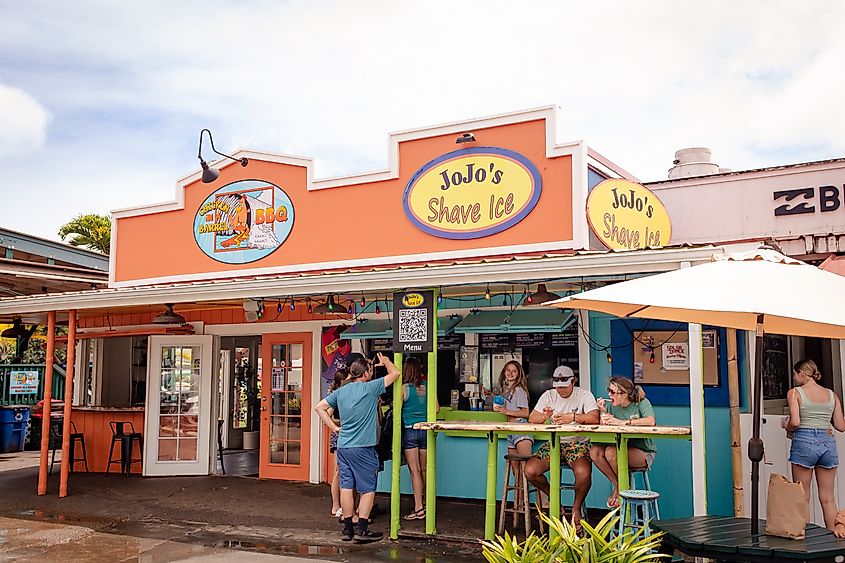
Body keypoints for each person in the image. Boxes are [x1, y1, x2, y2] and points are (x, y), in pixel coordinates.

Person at [315, 353, 401, 543]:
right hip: (363, 446)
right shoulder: (370, 388)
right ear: (366, 373)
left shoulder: (342, 390)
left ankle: (347, 529)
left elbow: (319, 407)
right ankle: (361, 529)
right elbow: (395, 374)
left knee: (347, 486)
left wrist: (335, 427)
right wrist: (386, 362)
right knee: (368, 488)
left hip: (344, 445)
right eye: (370, 370)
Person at [524, 365, 599, 530]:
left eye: (564, 387)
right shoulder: (549, 395)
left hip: (577, 443)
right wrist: (545, 415)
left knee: (583, 473)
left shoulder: (584, 395)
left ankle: (575, 508)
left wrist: (572, 417)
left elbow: (595, 417)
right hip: (554, 442)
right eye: (558, 387)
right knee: (530, 471)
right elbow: (532, 417)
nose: (561, 391)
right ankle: (555, 499)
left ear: (573, 381)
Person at [782, 359, 845, 533]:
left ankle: (806, 542)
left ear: (802, 373)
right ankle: (835, 540)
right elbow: (840, 426)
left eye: (795, 374)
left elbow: (795, 422)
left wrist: (786, 426)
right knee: (828, 498)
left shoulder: (795, 393)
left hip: (804, 441)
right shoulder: (832, 395)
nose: (794, 378)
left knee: (802, 497)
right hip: (827, 442)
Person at [590, 376, 657, 509]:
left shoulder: (641, 403)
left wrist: (623, 423)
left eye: (613, 392)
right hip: (620, 449)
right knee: (595, 451)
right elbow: (605, 429)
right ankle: (619, 485)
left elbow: (650, 421)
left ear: (624, 394)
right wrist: (602, 412)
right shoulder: (610, 406)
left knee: (610, 452)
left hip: (643, 452)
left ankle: (621, 488)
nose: (609, 394)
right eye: (609, 390)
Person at [400, 357, 430, 521]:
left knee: (415, 471)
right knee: (425, 469)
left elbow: (397, 409)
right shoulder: (427, 387)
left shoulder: (404, 388)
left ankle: (418, 508)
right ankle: (426, 502)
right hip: (425, 430)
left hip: (410, 430)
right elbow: (437, 407)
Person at [492, 360, 533, 457]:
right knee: (514, 467)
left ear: (519, 374)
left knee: (524, 467)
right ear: (504, 372)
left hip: (520, 427)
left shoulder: (519, 390)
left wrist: (505, 411)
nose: (510, 373)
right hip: (510, 428)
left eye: (514, 371)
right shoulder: (507, 390)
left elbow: (526, 413)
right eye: (508, 370)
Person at [328, 367, 350, 518]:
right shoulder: (337, 395)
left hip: (341, 433)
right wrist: (340, 424)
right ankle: (336, 505)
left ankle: (341, 504)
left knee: (341, 471)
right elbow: (328, 414)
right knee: (338, 471)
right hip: (339, 434)